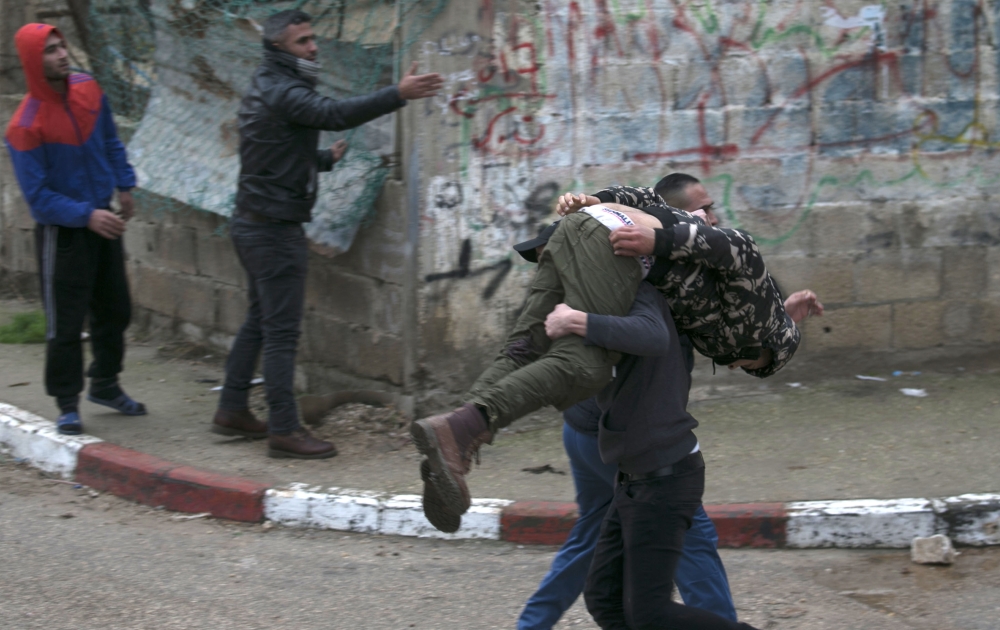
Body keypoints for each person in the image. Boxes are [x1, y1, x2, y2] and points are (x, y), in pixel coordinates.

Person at [412, 193, 815, 523]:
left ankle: (452, 442)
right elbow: (742, 247)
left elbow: (644, 197)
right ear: (766, 352)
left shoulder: (737, 314)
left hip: (575, 231)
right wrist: (657, 242)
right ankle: (462, 431)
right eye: (755, 365)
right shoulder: (749, 328)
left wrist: (594, 199)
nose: (740, 366)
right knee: (586, 368)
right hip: (609, 247)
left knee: (525, 347)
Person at [211, 10, 442, 458]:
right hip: (273, 232)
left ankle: (231, 407)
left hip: (253, 222)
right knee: (280, 334)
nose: (313, 47)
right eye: (302, 42)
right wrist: (398, 93)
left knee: (259, 322)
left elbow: (269, 152)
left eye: (313, 39)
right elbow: (332, 114)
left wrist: (319, 161)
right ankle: (283, 429)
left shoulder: (265, 84)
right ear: (279, 46)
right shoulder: (283, 90)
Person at [516, 256, 738, 629]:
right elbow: (652, 336)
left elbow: (724, 339)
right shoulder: (638, 285)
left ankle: (532, 623)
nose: (709, 218)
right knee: (691, 547)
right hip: (627, 449)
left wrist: (777, 322)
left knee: (600, 570)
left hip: (596, 439)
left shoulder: (637, 282)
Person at [5, 24, 146, 436]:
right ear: (35, 61)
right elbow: (38, 198)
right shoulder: (24, 125)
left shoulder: (88, 89)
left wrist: (125, 184)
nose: (62, 55)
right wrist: (85, 215)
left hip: (103, 219)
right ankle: (66, 403)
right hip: (63, 234)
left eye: (62, 46)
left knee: (116, 310)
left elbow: (110, 140)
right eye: (50, 51)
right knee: (64, 324)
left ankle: (105, 383)